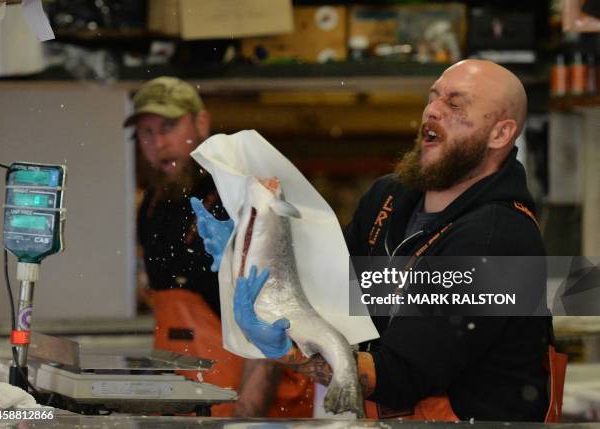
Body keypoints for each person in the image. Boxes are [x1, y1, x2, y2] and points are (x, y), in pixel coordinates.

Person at [196, 60, 567, 421]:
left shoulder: (495, 240)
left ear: (500, 134)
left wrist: (284, 351)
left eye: (454, 104)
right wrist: (248, 253)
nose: (432, 110)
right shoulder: (388, 199)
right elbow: (328, 291)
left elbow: (396, 376)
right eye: (433, 97)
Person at [124, 76, 314, 417]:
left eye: (168, 127)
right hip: (189, 398)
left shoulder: (238, 194)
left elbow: (270, 313)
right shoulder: (151, 204)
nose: (158, 143)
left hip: (254, 401)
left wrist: (246, 414)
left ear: (202, 123)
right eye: (146, 133)